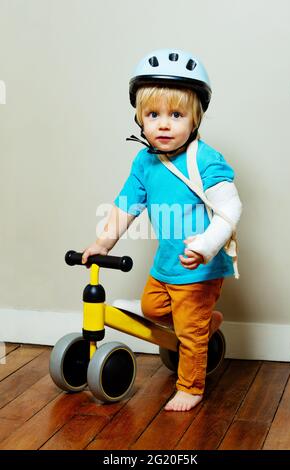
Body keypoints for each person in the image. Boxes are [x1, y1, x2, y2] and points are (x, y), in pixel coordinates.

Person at [82, 49, 242, 412]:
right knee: (152, 307)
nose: (164, 124)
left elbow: (231, 208)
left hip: (198, 266)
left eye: (176, 114)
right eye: (153, 115)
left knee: (187, 332)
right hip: (167, 262)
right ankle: (205, 324)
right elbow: (126, 207)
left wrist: (206, 245)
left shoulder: (204, 159)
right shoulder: (145, 160)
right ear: (140, 119)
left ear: (195, 118)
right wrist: (102, 242)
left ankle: (191, 386)